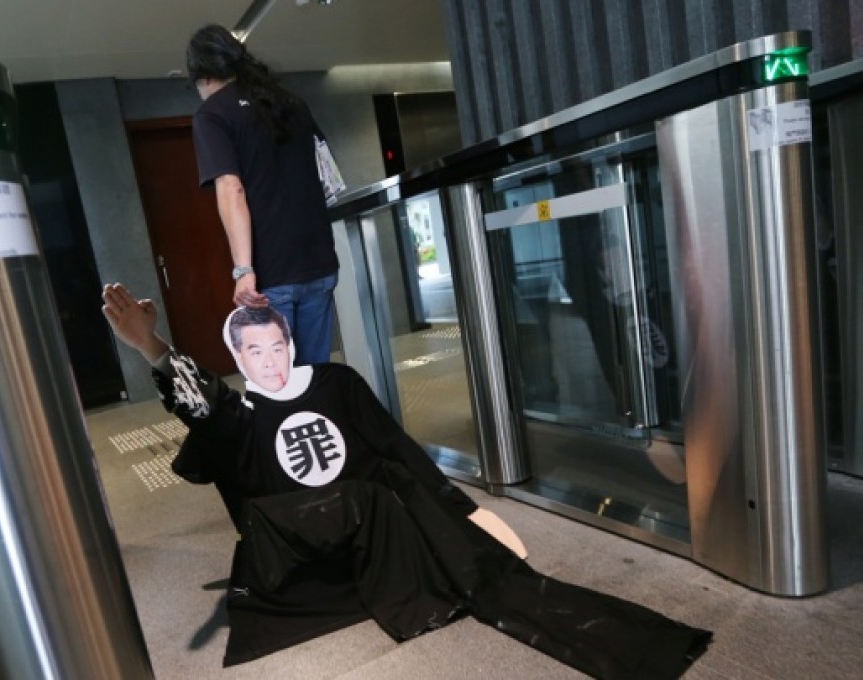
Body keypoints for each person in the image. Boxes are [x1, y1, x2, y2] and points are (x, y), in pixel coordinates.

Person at [101, 282, 711, 678]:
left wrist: (461, 509)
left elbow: (395, 446)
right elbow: (202, 406)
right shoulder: (241, 414)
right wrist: (155, 347)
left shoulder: (336, 384)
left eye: (278, 345)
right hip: (305, 553)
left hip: (379, 534)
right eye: (254, 352)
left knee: (438, 536)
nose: (271, 360)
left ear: (291, 342)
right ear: (238, 360)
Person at [187, 24, 340, 364]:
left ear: (203, 75)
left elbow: (231, 187)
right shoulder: (292, 103)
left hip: (271, 275)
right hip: (319, 262)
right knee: (314, 378)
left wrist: (243, 271)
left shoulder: (212, 114)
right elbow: (326, 174)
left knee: (279, 387)